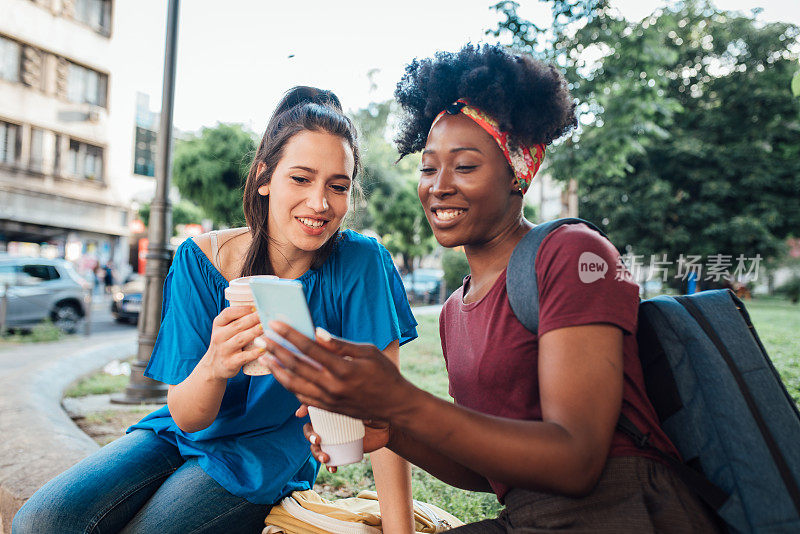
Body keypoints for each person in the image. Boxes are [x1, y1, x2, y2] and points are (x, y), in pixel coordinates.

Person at [258, 46, 722, 532]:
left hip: (625, 513)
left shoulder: (573, 255)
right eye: (428, 167)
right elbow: (489, 472)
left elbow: (576, 461)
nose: (438, 186)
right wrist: (391, 430)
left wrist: (401, 399)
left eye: (465, 166)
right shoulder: (456, 310)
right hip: (529, 517)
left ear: (518, 171)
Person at [13, 87, 417, 534]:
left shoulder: (360, 263)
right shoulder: (201, 260)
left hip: (267, 448)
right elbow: (187, 415)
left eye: (337, 187)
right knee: (42, 520)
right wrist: (216, 364)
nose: (320, 203)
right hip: (179, 433)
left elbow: (387, 413)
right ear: (265, 177)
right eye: (300, 179)